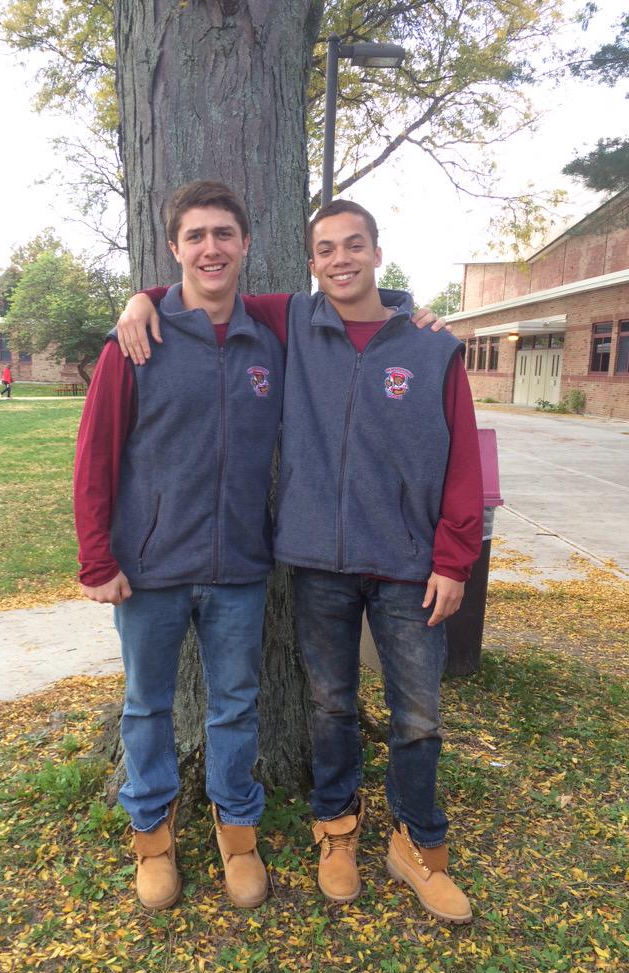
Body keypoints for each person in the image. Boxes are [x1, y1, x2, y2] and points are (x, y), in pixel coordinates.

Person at [116, 199, 483, 924]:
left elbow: (465, 458)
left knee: (418, 718)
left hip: (411, 565)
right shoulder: (294, 322)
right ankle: (335, 833)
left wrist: (455, 556)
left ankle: (418, 847)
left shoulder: (431, 346)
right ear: (310, 264)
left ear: (378, 253)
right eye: (325, 249)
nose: (341, 259)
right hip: (318, 561)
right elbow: (209, 291)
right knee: (331, 706)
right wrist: (141, 298)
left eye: (354, 245)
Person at [73, 181, 286, 911]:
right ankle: (153, 840)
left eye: (224, 233)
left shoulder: (271, 335)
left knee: (234, 705)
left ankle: (237, 833)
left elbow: (354, 306)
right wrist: (97, 559)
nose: (211, 248)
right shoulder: (137, 341)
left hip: (239, 569)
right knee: (146, 707)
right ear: (174, 248)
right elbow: (95, 454)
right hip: (151, 567)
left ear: (246, 243)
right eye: (195, 236)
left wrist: (410, 307)